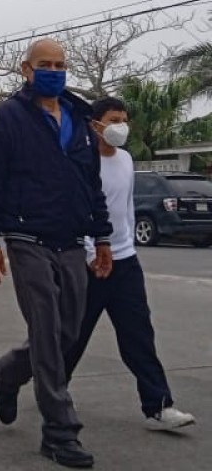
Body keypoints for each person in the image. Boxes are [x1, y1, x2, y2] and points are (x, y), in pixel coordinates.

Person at [0, 38, 113, 469]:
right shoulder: (8, 118)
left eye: (60, 64)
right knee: (48, 333)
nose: (54, 70)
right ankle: (60, 432)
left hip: (70, 241)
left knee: (68, 331)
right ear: (26, 69)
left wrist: (102, 238)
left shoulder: (79, 117)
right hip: (25, 238)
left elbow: (92, 185)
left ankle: (8, 371)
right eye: (45, 64)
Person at [64, 97, 195, 431]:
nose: (120, 126)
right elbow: (78, 213)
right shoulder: (80, 162)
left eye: (124, 119)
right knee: (73, 335)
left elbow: (126, 208)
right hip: (90, 264)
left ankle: (159, 406)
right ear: (95, 124)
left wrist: (128, 248)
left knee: (138, 334)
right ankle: (53, 390)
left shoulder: (124, 159)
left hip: (125, 262)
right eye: (113, 119)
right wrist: (92, 254)